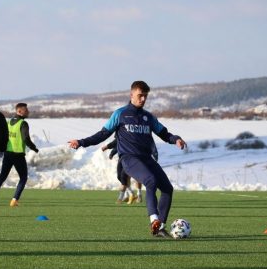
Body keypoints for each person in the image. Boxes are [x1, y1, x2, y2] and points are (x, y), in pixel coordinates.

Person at [68, 80, 187, 237]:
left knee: (167, 189)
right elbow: (102, 134)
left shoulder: (148, 117)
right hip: (129, 159)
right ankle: (154, 219)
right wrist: (81, 142)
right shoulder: (120, 114)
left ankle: (160, 227)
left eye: (145, 96)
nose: (143, 99)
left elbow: (165, 134)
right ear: (131, 95)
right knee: (150, 181)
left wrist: (176, 139)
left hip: (147, 159)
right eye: (140, 95)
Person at [0, 102, 38, 207]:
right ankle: (14, 200)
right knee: (23, 178)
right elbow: (26, 139)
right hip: (18, 155)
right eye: (26, 110)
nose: (28, 112)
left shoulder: (9, 122)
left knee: (2, 177)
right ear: (19, 111)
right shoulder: (23, 123)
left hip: (8, 154)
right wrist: (34, 148)